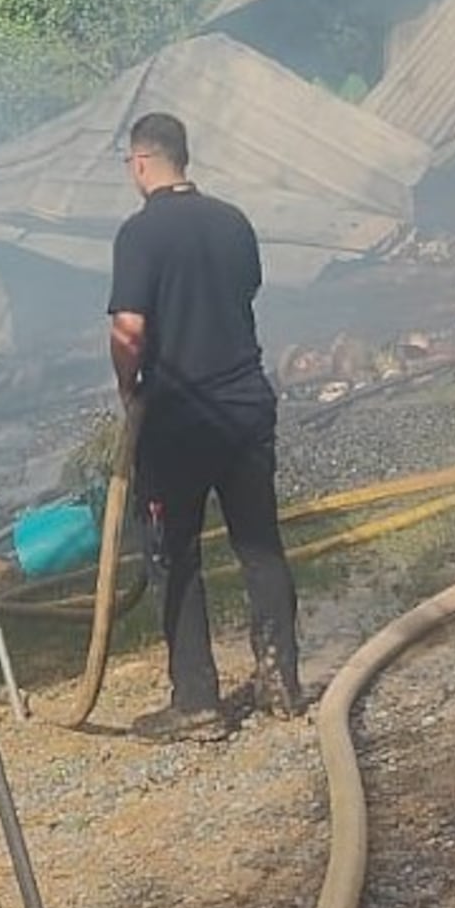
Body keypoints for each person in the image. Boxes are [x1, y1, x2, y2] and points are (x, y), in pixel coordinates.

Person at [107, 112, 304, 740]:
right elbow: (241, 295)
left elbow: (129, 330)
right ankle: (281, 681)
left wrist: (126, 385)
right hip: (246, 407)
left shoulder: (139, 235)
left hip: (178, 420)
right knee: (258, 546)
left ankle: (196, 702)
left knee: (175, 556)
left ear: (141, 163)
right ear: (182, 158)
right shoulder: (233, 221)